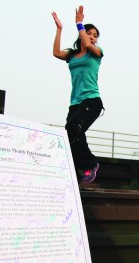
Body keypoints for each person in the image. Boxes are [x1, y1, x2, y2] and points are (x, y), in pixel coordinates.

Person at [52, 5, 104, 183]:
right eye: (90, 33)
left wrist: (79, 23)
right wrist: (59, 29)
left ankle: (91, 164)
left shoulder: (96, 53)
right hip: (75, 103)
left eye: (95, 35)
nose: (92, 37)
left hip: (92, 101)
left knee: (73, 127)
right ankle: (74, 170)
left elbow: (89, 45)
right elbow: (56, 53)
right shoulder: (73, 56)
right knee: (70, 134)